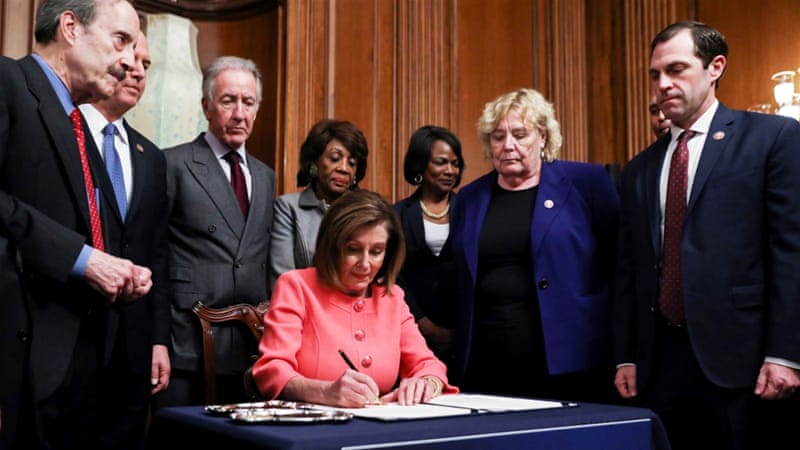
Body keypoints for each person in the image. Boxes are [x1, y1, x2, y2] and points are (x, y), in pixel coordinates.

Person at [614, 21, 800, 450]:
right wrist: (627, 354)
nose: (663, 84)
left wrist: (785, 354)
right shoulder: (640, 168)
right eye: (655, 74)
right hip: (661, 363)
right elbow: (630, 269)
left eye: (676, 69)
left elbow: (790, 253)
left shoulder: (770, 138)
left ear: (715, 67)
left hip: (743, 362)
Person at [0, 1, 148, 448]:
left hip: (80, 360)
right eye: (120, 40)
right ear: (70, 27)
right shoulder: (9, 82)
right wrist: (83, 260)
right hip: (19, 357)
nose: (129, 60)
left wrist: (117, 268)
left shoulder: (78, 123)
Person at [448, 88, 620, 403]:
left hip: (567, 357)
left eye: (519, 134)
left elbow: (620, 266)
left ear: (542, 137)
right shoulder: (470, 198)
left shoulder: (586, 183)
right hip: (487, 357)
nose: (508, 145)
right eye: (498, 136)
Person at [253, 189, 457, 407]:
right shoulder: (296, 286)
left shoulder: (392, 297)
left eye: (377, 251)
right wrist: (324, 392)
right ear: (331, 245)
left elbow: (428, 364)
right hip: (310, 428)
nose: (365, 264)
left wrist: (427, 383)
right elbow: (271, 370)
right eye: (353, 249)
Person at [155, 56, 276, 409]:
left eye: (248, 102)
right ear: (206, 106)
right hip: (186, 344)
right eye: (228, 100)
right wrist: (155, 340)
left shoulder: (266, 176)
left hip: (249, 349)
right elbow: (153, 257)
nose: (239, 113)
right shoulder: (172, 164)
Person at [78, 31, 170, 450]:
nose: (138, 71)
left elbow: (158, 253)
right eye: (130, 59)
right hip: (71, 336)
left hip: (134, 346)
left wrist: (158, 339)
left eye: (147, 65)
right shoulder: (65, 134)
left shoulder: (152, 156)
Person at [268, 118, 368, 291]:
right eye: (335, 158)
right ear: (314, 163)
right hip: (305, 310)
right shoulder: (288, 208)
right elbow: (282, 281)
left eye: (352, 163)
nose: (344, 168)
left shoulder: (367, 212)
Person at [393, 125, 464, 365]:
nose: (449, 171)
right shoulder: (397, 214)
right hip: (410, 329)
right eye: (441, 162)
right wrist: (425, 324)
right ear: (420, 166)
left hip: (464, 332)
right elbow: (393, 275)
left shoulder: (471, 210)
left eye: (455, 164)